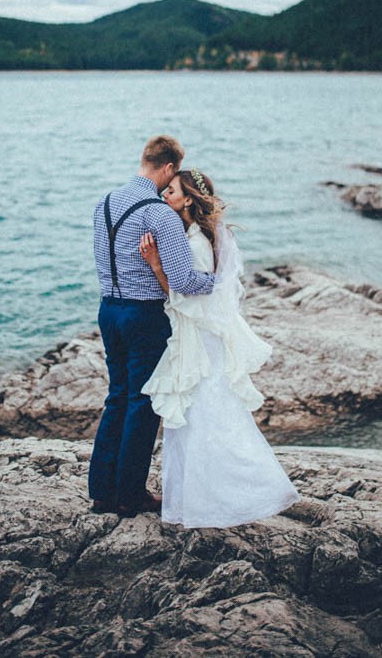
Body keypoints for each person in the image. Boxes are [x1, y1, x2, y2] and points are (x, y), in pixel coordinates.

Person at [140, 168, 300, 528]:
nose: (165, 195)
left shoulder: (196, 242)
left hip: (198, 339)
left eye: (172, 191)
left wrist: (154, 265)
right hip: (201, 337)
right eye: (165, 189)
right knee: (199, 415)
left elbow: (184, 295)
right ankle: (196, 502)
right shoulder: (200, 236)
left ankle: (225, 499)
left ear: (188, 199)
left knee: (201, 416)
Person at [89, 136, 216, 518]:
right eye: (173, 173)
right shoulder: (159, 214)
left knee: (117, 397)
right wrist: (218, 282)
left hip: (108, 310)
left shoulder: (104, 203)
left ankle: (101, 493)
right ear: (167, 169)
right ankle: (130, 495)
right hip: (143, 315)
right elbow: (184, 280)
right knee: (144, 403)